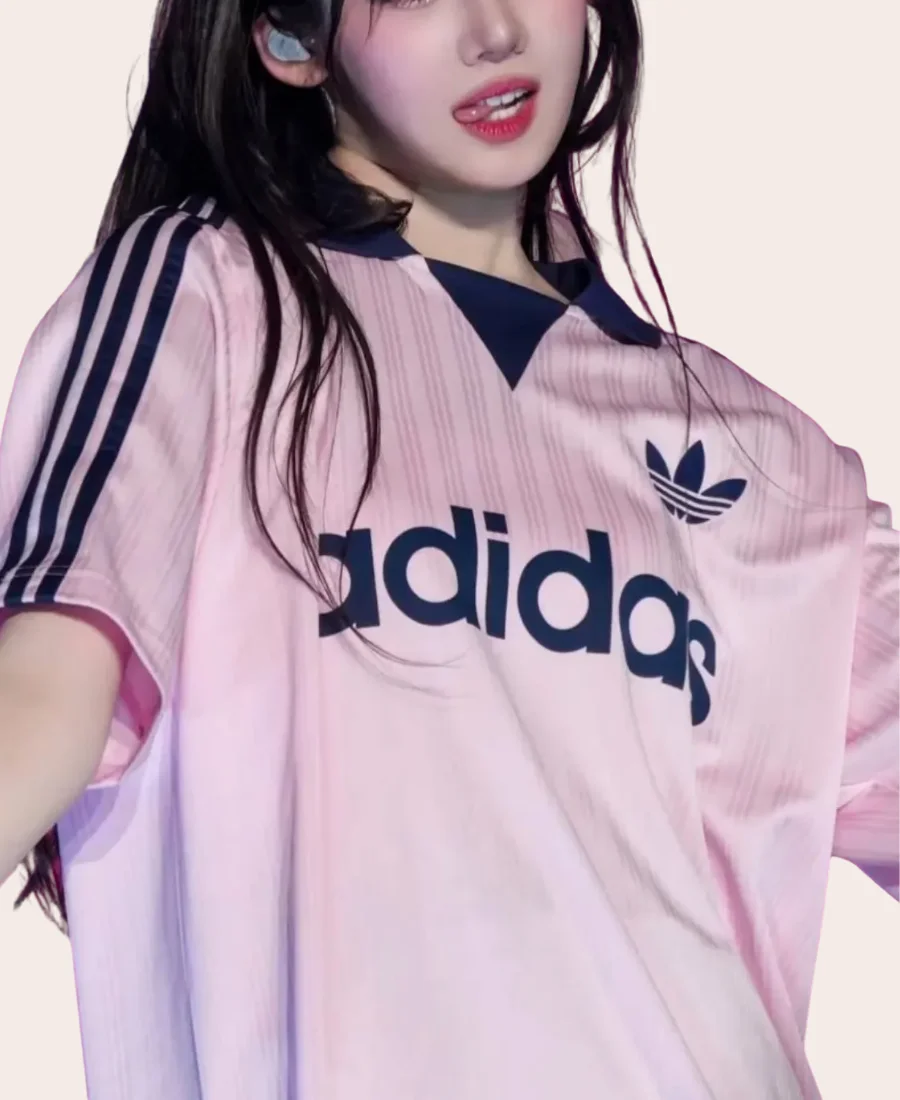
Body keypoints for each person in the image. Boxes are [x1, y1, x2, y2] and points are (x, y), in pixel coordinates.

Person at [0, 0, 896, 1097]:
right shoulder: (214, 298)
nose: (496, 31)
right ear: (292, 39)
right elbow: (44, 691)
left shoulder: (769, 464)